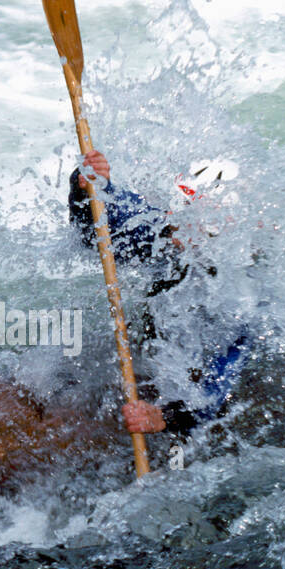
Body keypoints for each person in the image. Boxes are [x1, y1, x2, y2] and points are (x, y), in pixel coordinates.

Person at [69, 150, 257, 437]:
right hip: (155, 351)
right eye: (178, 225)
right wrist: (88, 185)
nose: (179, 240)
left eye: (196, 234)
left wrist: (165, 417)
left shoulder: (242, 303)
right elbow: (96, 228)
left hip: (208, 383)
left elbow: (219, 390)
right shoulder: (164, 231)